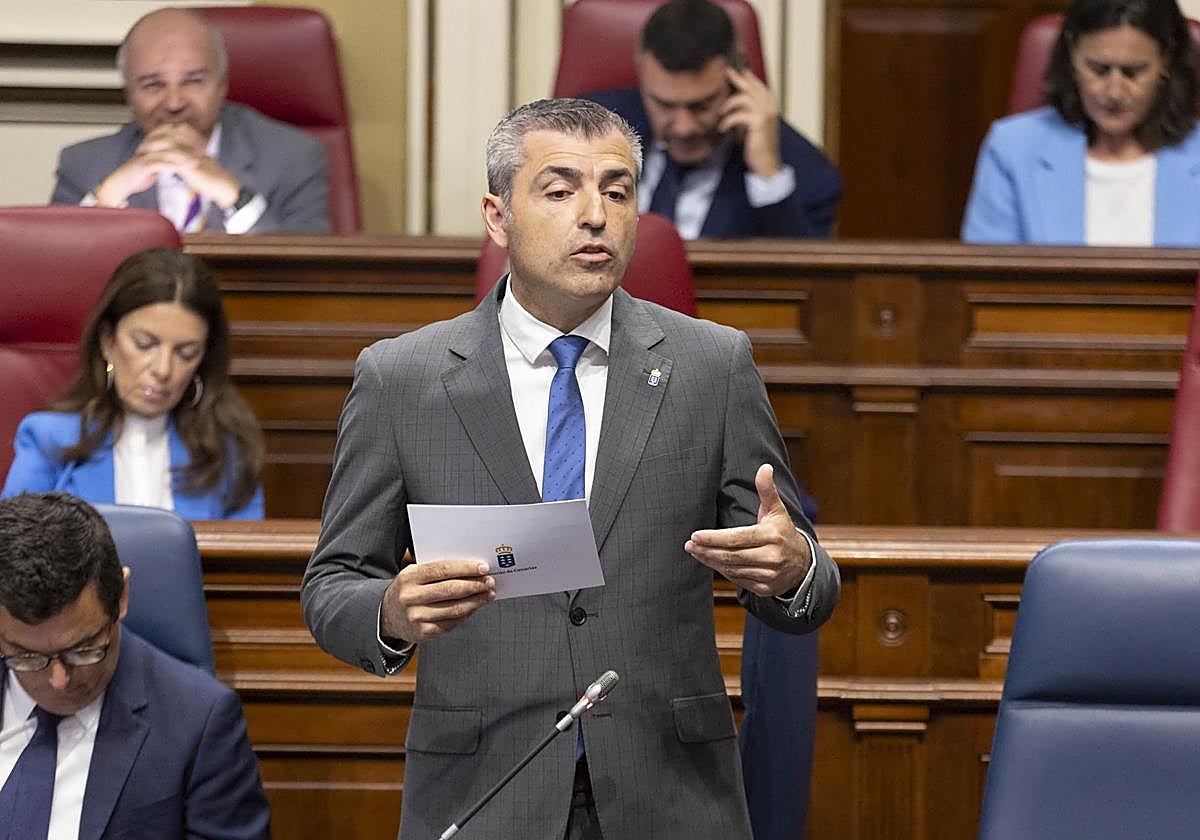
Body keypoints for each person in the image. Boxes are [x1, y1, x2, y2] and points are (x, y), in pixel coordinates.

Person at [302, 97, 840, 840]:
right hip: (485, 790)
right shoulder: (403, 379)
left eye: (617, 191)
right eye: (560, 191)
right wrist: (390, 615)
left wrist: (794, 567)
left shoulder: (710, 366)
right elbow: (332, 586)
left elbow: (805, 582)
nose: (595, 215)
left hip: (671, 793)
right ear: (498, 217)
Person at [0, 491, 271, 839]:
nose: (58, 680)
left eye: (83, 649)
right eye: (27, 656)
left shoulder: (200, 723)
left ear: (122, 596)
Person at [2, 248, 264, 520]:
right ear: (107, 341)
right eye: (144, 345)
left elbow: (244, 560)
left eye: (186, 353)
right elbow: (14, 554)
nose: (163, 370)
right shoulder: (49, 440)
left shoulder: (230, 452)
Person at [50, 8, 330, 235]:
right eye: (152, 85)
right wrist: (107, 198)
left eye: (193, 82)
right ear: (129, 94)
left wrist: (235, 198)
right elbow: (57, 273)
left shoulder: (293, 159)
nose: (174, 103)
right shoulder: (84, 166)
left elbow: (307, 276)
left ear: (222, 85)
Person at [583, 0, 841, 239]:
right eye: (664, 105)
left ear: (737, 79)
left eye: (701, 106)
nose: (684, 128)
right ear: (641, 73)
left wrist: (768, 177)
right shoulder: (590, 130)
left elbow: (808, 284)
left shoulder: (808, 175)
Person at [962, 0, 1200, 245]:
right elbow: (988, 278)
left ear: (1166, 60)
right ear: (1072, 54)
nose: (1114, 92)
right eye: (1098, 69)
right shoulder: (1011, 149)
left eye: (1133, 72)